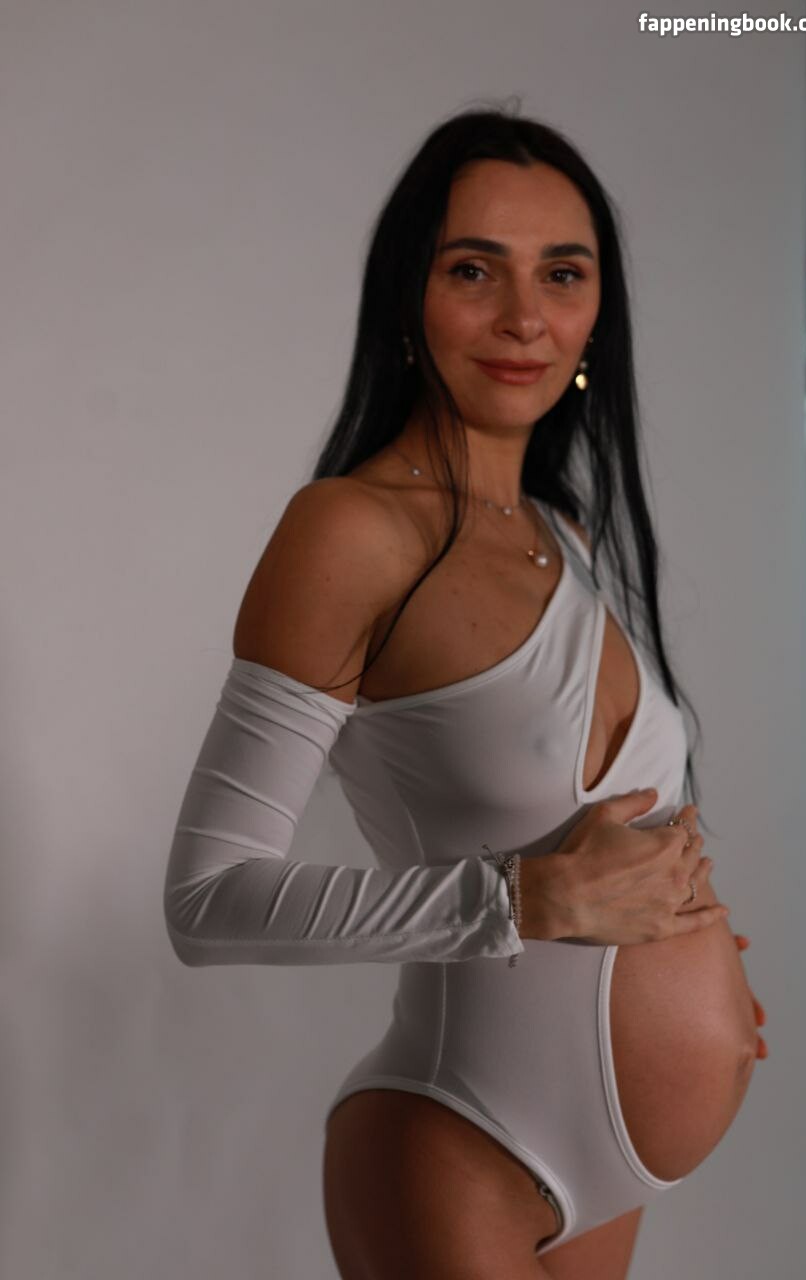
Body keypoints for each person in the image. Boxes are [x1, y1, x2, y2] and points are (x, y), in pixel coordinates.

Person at [163, 104, 767, 1280]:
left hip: (617, 1165)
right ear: (408, 296)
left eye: (563, 274)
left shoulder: (563, 531)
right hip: (463, 1135)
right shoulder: (349, 531)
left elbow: (619, 842)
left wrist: (700, 968)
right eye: (473, 270)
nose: (524, 317)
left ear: (596, 312)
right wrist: (526, 897)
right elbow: (207, 899)